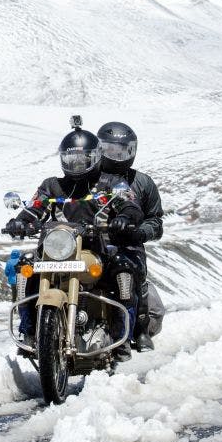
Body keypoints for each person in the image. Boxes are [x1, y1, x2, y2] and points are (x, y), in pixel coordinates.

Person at [3, 118, 144, 362]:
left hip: (94, 249)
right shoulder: (52, 185)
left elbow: (129, 203)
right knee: (23, 268)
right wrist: (20, 221)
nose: (76, 164)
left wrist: (125, 216)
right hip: (54, 251)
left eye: (82, 159)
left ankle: (122, 338)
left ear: (95, 157)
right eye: (70, 159)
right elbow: (35, 206)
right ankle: (27, 332)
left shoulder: (110, 183)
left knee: (124, 270)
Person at [96, 121, 164, 352]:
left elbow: (156, 221)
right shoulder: (89, 180)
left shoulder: (143, 182)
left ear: (132, 151)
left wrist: (138, 232)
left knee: (133, 274)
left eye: (122, 150)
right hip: (92, 243)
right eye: (109, 150)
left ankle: (140, 328)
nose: (116, 156)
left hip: (127, 245)